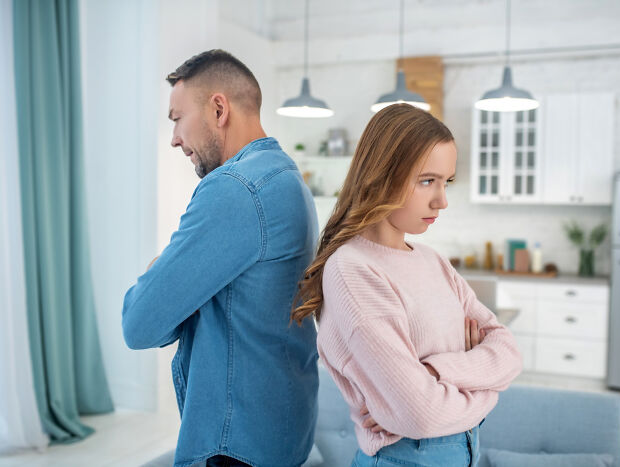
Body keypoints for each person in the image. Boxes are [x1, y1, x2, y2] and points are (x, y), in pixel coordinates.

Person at [292, 104, 523, 467]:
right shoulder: (353, 270)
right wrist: (484, 384)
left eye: (446, 182)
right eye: (426, 181)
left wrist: (435, 371)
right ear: (382, 174)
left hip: (463, 450)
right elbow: (421, 414)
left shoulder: (432, 260)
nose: (441, 200)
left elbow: (509, 353)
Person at [122, 49, 319, 467]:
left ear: (217, 108)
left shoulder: (236, 189)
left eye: (176, 118)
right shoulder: (286, 177)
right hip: (280, 430)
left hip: (237, 446)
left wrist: (160, 267)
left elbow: (139, 324)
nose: (174, 137)